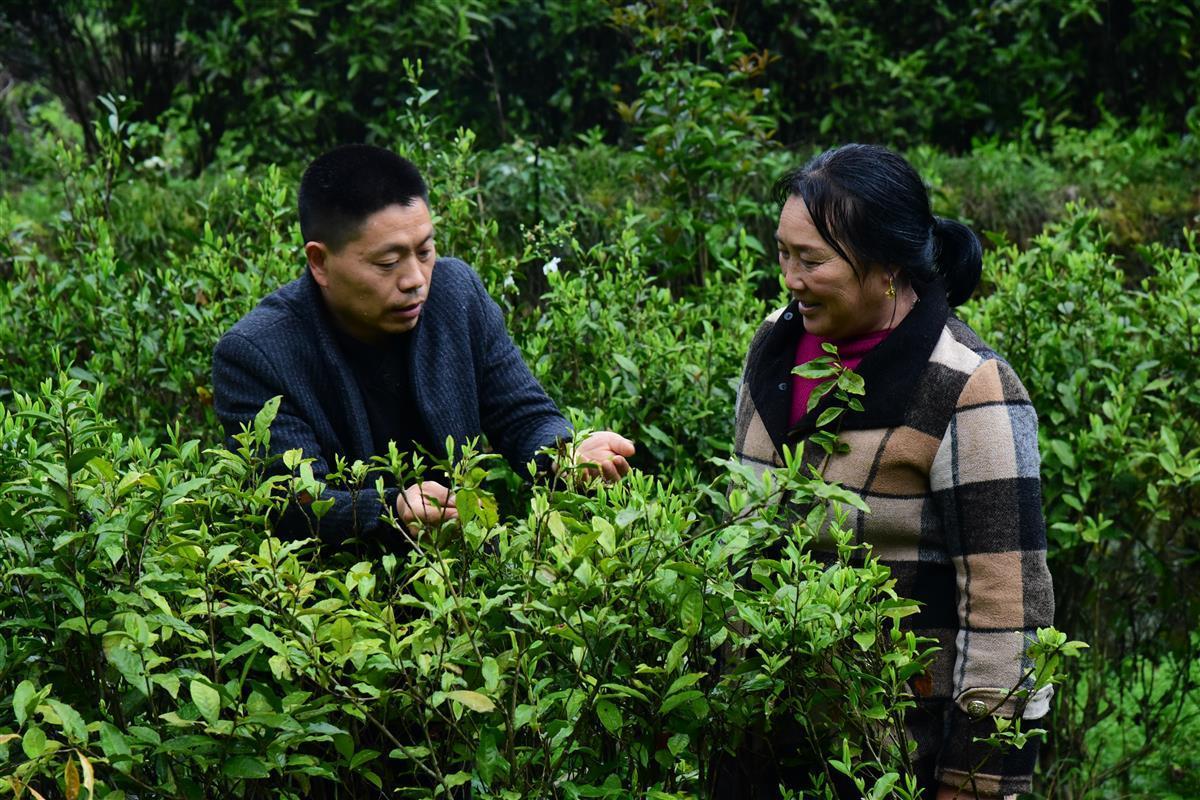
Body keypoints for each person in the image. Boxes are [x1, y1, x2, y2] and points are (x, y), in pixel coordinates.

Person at [728, 144, 1054, 799]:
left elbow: (1007, 612)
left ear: (886, 269)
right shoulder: (773, 345)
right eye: (784, 253)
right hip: (758, 739)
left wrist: (973, 781)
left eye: (812, 260)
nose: (790, 278)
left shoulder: (967, 386)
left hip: (890, 755)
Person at [213, 144, 634, 546]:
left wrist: (565, 451)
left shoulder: (456, 294)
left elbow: (522, 414)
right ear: (320, 262)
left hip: (468, 571)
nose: (415, 279)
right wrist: (391, 509)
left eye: (425, 251)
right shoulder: (256, 353)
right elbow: (296, 502)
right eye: (388, 262)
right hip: (329, 598)